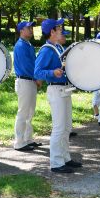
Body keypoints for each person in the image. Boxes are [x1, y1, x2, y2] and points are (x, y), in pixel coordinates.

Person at [34, 18, 80, 173]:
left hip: (64, 90)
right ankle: (56, 163)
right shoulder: (46, 50)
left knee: (66, 127)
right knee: (59, 128)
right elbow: (37, 72)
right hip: (56, 90)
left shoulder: (58, 47)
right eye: (58, 28)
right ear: (52, 31)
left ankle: (65, 158)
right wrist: (52, 72)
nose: (61, 29)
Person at [12, 20, 43, 152]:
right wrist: (37, 77)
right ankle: (19, 142)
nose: (31, 30)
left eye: (31, 28)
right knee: (23, 112)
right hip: (25, 81)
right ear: (21, 31)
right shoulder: (21, 46)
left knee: (30, 112)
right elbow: (27, 66)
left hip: (29, 81)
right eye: (28, 28)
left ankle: (27, 139)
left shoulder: (27, 44)